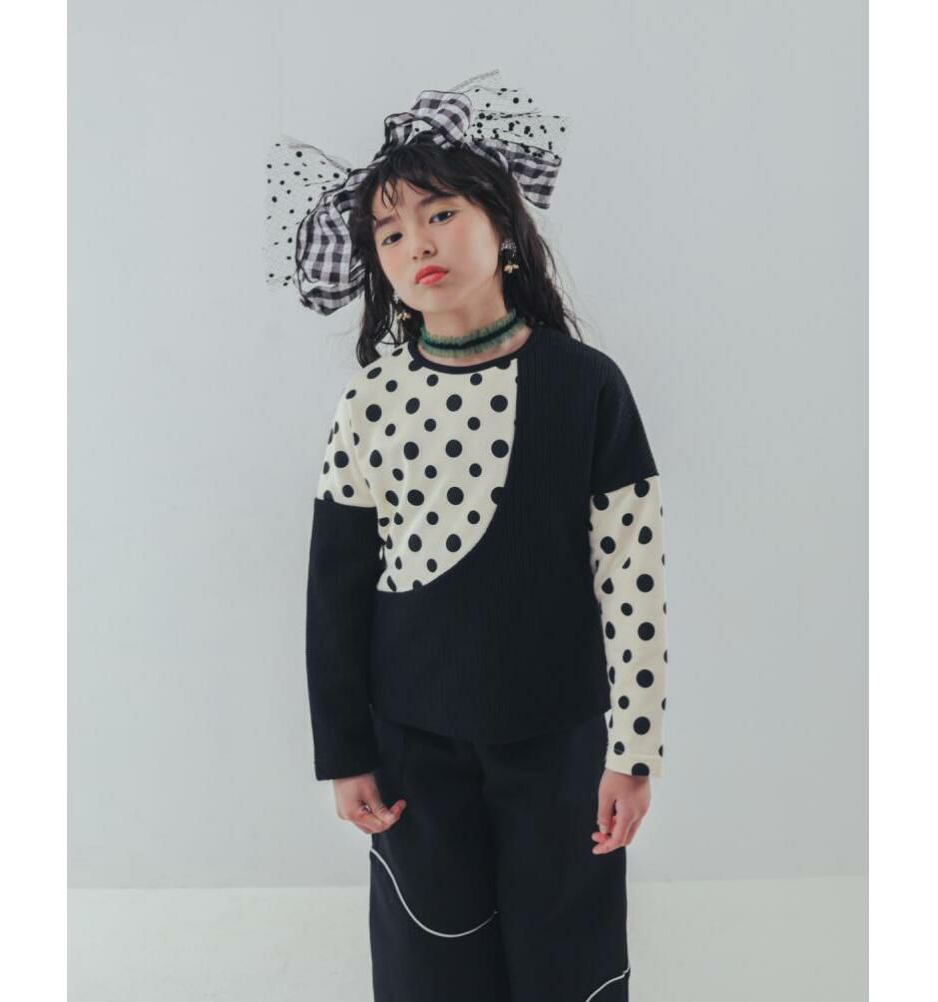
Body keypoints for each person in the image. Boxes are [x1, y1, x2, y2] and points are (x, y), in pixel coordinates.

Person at [265, 69, 669, 1002]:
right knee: (431, 957)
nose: (417, 244)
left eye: (441, 214)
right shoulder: (371, 400)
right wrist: (346, 752)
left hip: (561, 739)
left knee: (567, 956)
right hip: (414, 748)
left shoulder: (587, 386)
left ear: (503, 225)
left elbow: (634, 580)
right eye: (390, 233)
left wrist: (633, 751)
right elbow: (335, 589)